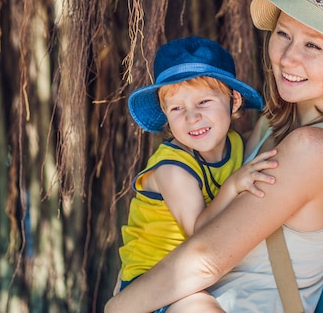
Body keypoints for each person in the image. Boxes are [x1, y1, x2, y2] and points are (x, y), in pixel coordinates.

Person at [105, 0, 323, 313]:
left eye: (313, 46)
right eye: (283, 34)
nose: (288, 57)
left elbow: (207, 258)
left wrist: (117, 307)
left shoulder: (314, 150)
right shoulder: (268, 129)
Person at [116, 36, 278, 312]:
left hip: (192, 280)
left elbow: (267, 133)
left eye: (203, 102)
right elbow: (201, 235)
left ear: (234, 101)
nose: (192, 117)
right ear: (166, 115)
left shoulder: (236, 144)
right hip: (150, 285)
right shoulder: (172, 169)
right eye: (177, 108)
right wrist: (233, 185)